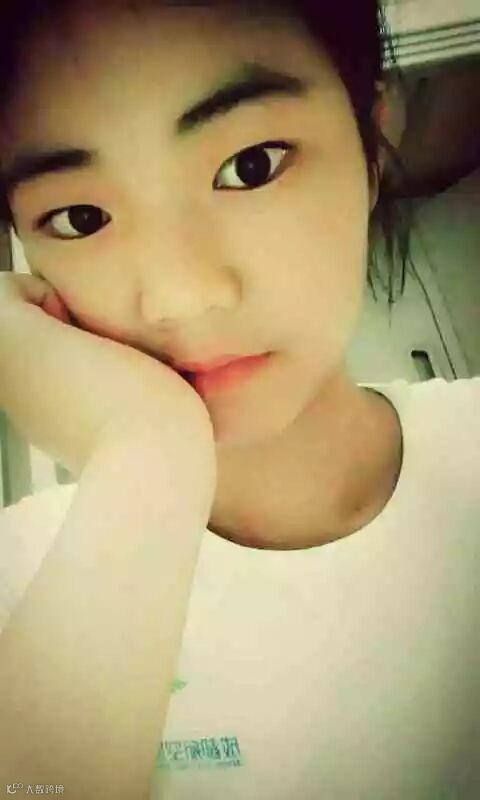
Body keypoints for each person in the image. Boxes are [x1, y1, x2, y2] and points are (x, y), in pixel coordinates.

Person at [0, 1, 478, 798]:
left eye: (251, 166)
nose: (179, 296)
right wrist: (148, 457)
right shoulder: (19, 586)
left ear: (371, 144)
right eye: (81, 218)